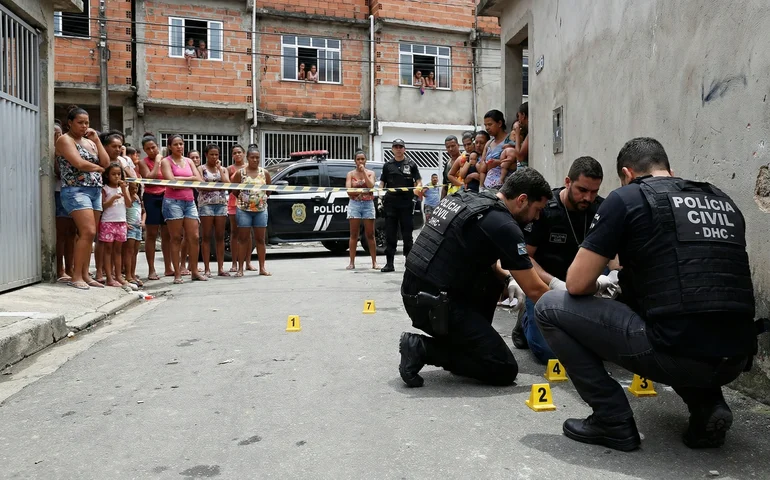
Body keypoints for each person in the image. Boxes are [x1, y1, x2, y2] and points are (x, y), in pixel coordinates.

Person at [535, 137, 757, 452]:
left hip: (674, 351)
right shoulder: (721, 200)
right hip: (735, 356)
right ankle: (708, 405)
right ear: (669, 170)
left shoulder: (627, 198)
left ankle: (611, 419)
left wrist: (604, 284)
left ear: (627, 174)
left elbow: (576, 284)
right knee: (683, 311)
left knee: (549, 306)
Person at [398, 169, 555, 388]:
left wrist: (508, 279)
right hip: (436, 305)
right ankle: (423, 349)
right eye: (537, 209)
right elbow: (536, 290)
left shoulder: (472, 200)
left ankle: (469, 345)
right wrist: (570, 315)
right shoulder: (503, 224)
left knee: (494, 279)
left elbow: (482, 257)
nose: (537, 217)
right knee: (503, 367)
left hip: (418, 292)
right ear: (522, 200)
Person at [511, 156, 604, 363]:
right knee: (549, 354)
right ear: (568, 182)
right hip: (545, 285)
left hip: (584, 286)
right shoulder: (545, 209)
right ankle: (525, 320)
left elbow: (613, 252)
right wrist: (554, 283)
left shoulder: (601, 209)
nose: (588, 198)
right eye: (582, 190)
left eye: (594, 192)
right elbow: (525, 257)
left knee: (603, 349)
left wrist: (613, 274)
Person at [56, 105, 110, 290]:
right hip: (75, 190)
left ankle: (86, 274)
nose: (84, 126)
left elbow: (106, 162)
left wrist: (97, 140)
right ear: (70, 123)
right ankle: (76, 276)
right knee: (87, 231)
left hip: (95, 190)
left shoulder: (90, 142)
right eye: (80, 122)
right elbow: (78, 163)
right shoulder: (65, 140)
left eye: (87, 123)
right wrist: (98, 168)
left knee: (89, 235)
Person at [160, 134, 206, 284]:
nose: (179, 147)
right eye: (176, 144)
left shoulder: (188, 161)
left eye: (181, 144)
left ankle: (194, 271)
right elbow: (172, 183)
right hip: (173, 202)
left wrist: (181, 178)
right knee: (176, 238)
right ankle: (177, 273)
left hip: (189, 201)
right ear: (170, 147)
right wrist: (189, 179)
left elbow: (199, 179)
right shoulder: (165, 161)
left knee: (194, 237)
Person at [379, 139, 422, 273]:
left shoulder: (411, 164)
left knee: (407, 234)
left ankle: (409, 263)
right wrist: (380, 195)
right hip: (391, 204)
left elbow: (418, 181)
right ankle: (389, 263)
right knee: (390, 234)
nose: (398, 149)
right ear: (392, 149)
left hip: (406, 203)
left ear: (404, 149)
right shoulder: (388, 165)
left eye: (400, 147)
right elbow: (382, 183)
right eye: (396, 147)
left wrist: (418, 188)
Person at [231, 145, 272, 277]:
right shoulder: (240, 173)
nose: (255, 160)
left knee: (260, 239)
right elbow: (234, 191)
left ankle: (262, 268)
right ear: (247, 158)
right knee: (243, 239)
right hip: (244, 210)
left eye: (257, 157)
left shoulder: (264, 173)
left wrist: (260, 200)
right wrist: (245, 199)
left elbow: (269, 190)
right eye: (252, 157)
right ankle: (240, 269)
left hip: (261, 210)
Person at [137, 133, 173, 281]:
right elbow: (149, 178)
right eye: (148, 149)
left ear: (158, 146)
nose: (152, 151)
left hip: (166, 196)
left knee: (167, 234)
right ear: (144, 150)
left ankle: (168, 267)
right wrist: (157, 162)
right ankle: (151, 269)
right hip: (151, 197)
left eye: (153, 147)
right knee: (151, 234)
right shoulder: (142, 162)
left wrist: (161, 161)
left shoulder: (167, 161)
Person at [197, 144, 231, 277]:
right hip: (206, 204)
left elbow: (227, 183)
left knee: (220, 236)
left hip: (221, 204)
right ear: (206, 155)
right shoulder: (201, 169)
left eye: (216, 154)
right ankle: (207, 268)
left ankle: (221, 268)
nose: (214, 157)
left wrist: (220, 170)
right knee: (206, 236)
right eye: (211, 154)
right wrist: (217, 187)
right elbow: (201, 186)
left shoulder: (223, 169)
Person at [100, 163, 133, 289]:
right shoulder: (105, 189)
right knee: (108, 249)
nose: (116, 176)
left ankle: (118, 276)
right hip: (108, 221)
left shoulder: (123, 188)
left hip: (121, 221)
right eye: (113, 174)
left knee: (118, 250)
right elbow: (103, 206)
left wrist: (124, 190)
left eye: (119, 174)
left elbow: (129, 204)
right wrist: (112, 198)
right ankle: (109, 277)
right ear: (107, 176)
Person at [345, 150, 379, 270]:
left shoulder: (370, 173)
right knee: (354, 234)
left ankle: (374, 262)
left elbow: (371, 186)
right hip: (354, 204)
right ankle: (351, 262)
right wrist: (362, 192)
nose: (360, 161)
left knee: (370, 234)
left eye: (362, 159)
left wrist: (363, 172)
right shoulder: (350, 174)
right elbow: (349, 191)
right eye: (358, 159)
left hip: (368, 204)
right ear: (355, 161)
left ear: (366, 160)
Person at [53, 120, 75, 283]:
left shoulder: (69, 148)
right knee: (61, 233)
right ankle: (60, 269)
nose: (57, 137)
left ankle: (70, 268)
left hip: (74, 192)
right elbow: (59, 172)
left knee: (72, 233)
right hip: (59, 192)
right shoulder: (53, 152)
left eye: (59, 134)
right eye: (54, 135)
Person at [227, 145, 255, 272]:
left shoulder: (250, 167)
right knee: (234, 233)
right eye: (234, 153)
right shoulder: (229, 169)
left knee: (247, 233)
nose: (237, 155)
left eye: (239, 152)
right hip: (233, 202)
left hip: (249, 203)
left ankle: (248, 262)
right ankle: (234, 263)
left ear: (244, 154)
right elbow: (228, 185)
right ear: (232, 155)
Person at [479, 110, 511, 191]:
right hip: (487, 188)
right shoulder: (488, 144)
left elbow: (517, 164)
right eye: (485, 125)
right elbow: (482, 167)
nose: (487, 128)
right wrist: (481, 187)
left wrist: (498, 162)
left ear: (499, 123)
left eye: (490, 124)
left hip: (505, 188)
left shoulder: (510, 140)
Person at [500, 102, 530, 176]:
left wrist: (517, 134)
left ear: (523, 115)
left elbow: (520, 156)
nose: (519, 120)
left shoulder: (529, 134)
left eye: (519, 116)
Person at [124, 181, 144, 288]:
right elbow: (122, 210)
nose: (134, 190)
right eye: (131, 188)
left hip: (138, 227)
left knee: (135, 252)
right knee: (129, 251)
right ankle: (128, 275)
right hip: (130, 227)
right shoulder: (126, 197)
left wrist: (143, 221)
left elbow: (143, 211)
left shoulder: (138, 198)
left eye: (136, 188)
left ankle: (132, 274)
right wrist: (125, 223)